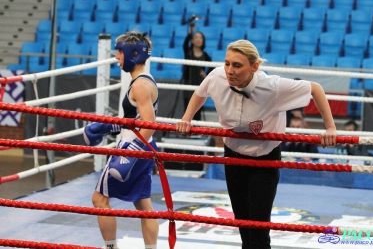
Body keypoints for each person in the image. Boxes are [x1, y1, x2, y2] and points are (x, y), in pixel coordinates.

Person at [176, 39, 337, 249]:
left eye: (237, 65)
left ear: (255, 67)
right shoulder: (217, 76)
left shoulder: (273, 87)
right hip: (233, 154)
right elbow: (200, 93)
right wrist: (187, 118)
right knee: (242, 221)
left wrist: (330, 128)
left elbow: (315, 88)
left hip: (265, 158)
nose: (229, 70)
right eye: (227, 63)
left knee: (259, 226)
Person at [83, 31, 159, 249]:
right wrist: (107, 127)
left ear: (133, 53)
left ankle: (111, 248)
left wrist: (129, 155)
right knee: (144, 205)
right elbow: (135, 120)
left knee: (99, 200)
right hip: (142, 148)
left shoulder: (140, 85)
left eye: (119, 52)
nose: (117, 56)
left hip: (134, 148)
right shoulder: (142, 80)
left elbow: (149, 124)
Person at [182, 22, 211, 121]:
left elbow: (212, 68)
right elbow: (185, 44)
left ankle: (196, 131)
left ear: (203, 41)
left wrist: (206, 75)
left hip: (199, 82)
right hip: (188, 81)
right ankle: (187, 129)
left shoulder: (205, 55)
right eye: (196, 37)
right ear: (192, 40)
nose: (198, 40)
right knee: (187, 105)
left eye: (200, 38)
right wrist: (190, 30)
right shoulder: (188, 52)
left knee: (198, 106)